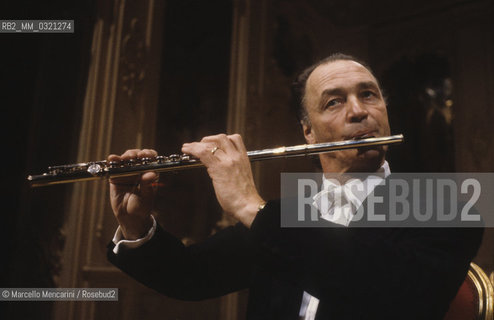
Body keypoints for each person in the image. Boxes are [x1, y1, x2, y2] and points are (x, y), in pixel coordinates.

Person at [106, 54, 483, 319]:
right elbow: (191, 276)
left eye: (368, 94)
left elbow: (391, 294)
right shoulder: (293, 214)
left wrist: (249, 207)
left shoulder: (449, 202)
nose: (357, 110)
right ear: (308, 132)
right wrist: (137, 226)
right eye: (334, 102)